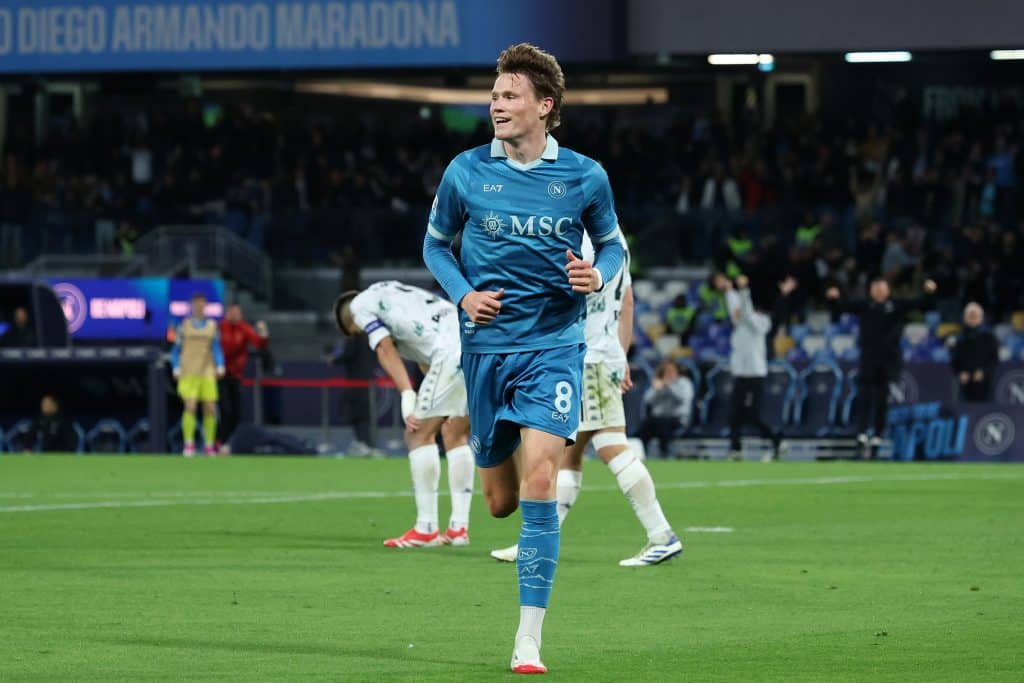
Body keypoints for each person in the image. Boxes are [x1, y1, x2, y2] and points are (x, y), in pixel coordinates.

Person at [422, 43, 625, 674]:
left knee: (543, 482)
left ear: (545, 106)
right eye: (494, 95)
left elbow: (614, 247)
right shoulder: (464, 171)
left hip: (554, 350)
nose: (496, 104)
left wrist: (598, 274)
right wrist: (465, 294)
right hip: (486, 352)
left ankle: (528, 638)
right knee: (500, 503)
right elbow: (435, 248)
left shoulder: (586, 176)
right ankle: (503, 437)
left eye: (509, 96)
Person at [490, 233, 682, 567]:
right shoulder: (616, 239)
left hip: (587, 356)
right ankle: (535, 542)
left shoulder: (581, 239)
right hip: (601, 354)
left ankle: (661, 535)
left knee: (611, 445)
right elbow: (628, 302)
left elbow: (560, 294)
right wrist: (621, 356)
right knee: (568, 453)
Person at [333, 280, 474, 547]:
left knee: (418, 434)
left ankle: (426, 528)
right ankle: (458, 528)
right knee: (454, 432)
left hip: (451, 351)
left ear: (350, 324)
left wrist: (408, 395)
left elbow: (384, 348)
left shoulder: (359, 306)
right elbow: (426, 357)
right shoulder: (393, 295)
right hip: (472, 337)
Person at [826, 277, 937, 457]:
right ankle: (861, 435)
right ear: (871, 290)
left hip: (889, 360)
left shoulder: (896, 306)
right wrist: (832, 298)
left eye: (881, 287)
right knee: (864, 397)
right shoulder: (865, 306)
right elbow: (840, 308)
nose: (878, 291)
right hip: (868, 359)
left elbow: (923, 305)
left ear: (888, 290)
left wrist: (929, 292)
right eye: (875, 287)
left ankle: (877, 436)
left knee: (882, 398)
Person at [724, 275, 781, 461]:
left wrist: (743, 290)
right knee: (735, 414)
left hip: (755, 374)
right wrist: (729, 292)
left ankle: (775, 440)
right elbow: (735, 310)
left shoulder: (762, 322)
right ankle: (735, 449)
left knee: (752, 414)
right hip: (740, 374)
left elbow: (746, 314)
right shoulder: (739, 325)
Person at [170, 292, 225, 457]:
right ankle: (189, 444)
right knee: (190, 406)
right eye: (196, 304)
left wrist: (220, 364)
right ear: (192, 306)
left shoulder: (212, 326)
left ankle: (209, 445)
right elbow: (175, 350)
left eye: (202, 303)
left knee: (210, 407)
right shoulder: (184, 326)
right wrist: (176, 367)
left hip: (207, 370)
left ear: (205, 306)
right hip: (189, 370)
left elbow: (216, 348)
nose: (199, 306)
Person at [217, 304, 269, 454]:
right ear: (227, 313)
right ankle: (219, 442)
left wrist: (263, 333)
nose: (234, 315)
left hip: (236, 376)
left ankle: (230, 443)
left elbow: (259, 343)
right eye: (232, 312)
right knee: (224, 410)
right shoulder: (220, 328)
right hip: (219, 375)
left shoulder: (244, 328)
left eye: (237, 313)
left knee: (237, 412)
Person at [637, 359, 694, 457]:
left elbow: (683, 399)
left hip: (678, 419)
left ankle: (665, 454)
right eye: (666, 371)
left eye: (672, 371)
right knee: (644, 427)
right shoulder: (659, 383)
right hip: (658, 419)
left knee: (664, 425)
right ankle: (642, 455)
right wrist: (656, 390)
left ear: (677, 371)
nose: (669, 373)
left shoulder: (684, 383)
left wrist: (669, 386)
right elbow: (647, 400)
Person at [951, 302, 999, 402]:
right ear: (964, 318)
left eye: (975, 316)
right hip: (964, 384)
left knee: (985, 412)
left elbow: (994, 359)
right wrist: (960, 373)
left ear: (981, 318)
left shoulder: (989, 337)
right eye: (970, 316)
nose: (972, 319)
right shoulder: (959, 338)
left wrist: (983, 372)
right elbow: (955, 360)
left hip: (985, 383)